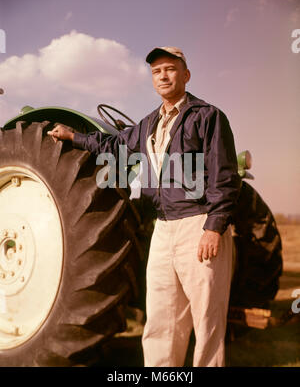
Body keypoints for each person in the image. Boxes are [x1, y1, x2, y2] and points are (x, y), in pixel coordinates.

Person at [48, 46, 241, 367]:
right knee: (162, 320)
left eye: (170, 69)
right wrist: (74, 136)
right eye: (156, 71)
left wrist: (214, 226)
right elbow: (113, 145)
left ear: (186, 74)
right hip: (163, 230)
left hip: (198, 224)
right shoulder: (149, 123)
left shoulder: (208, 117)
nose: (163, 76)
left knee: (207, 321)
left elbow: (224, 175)